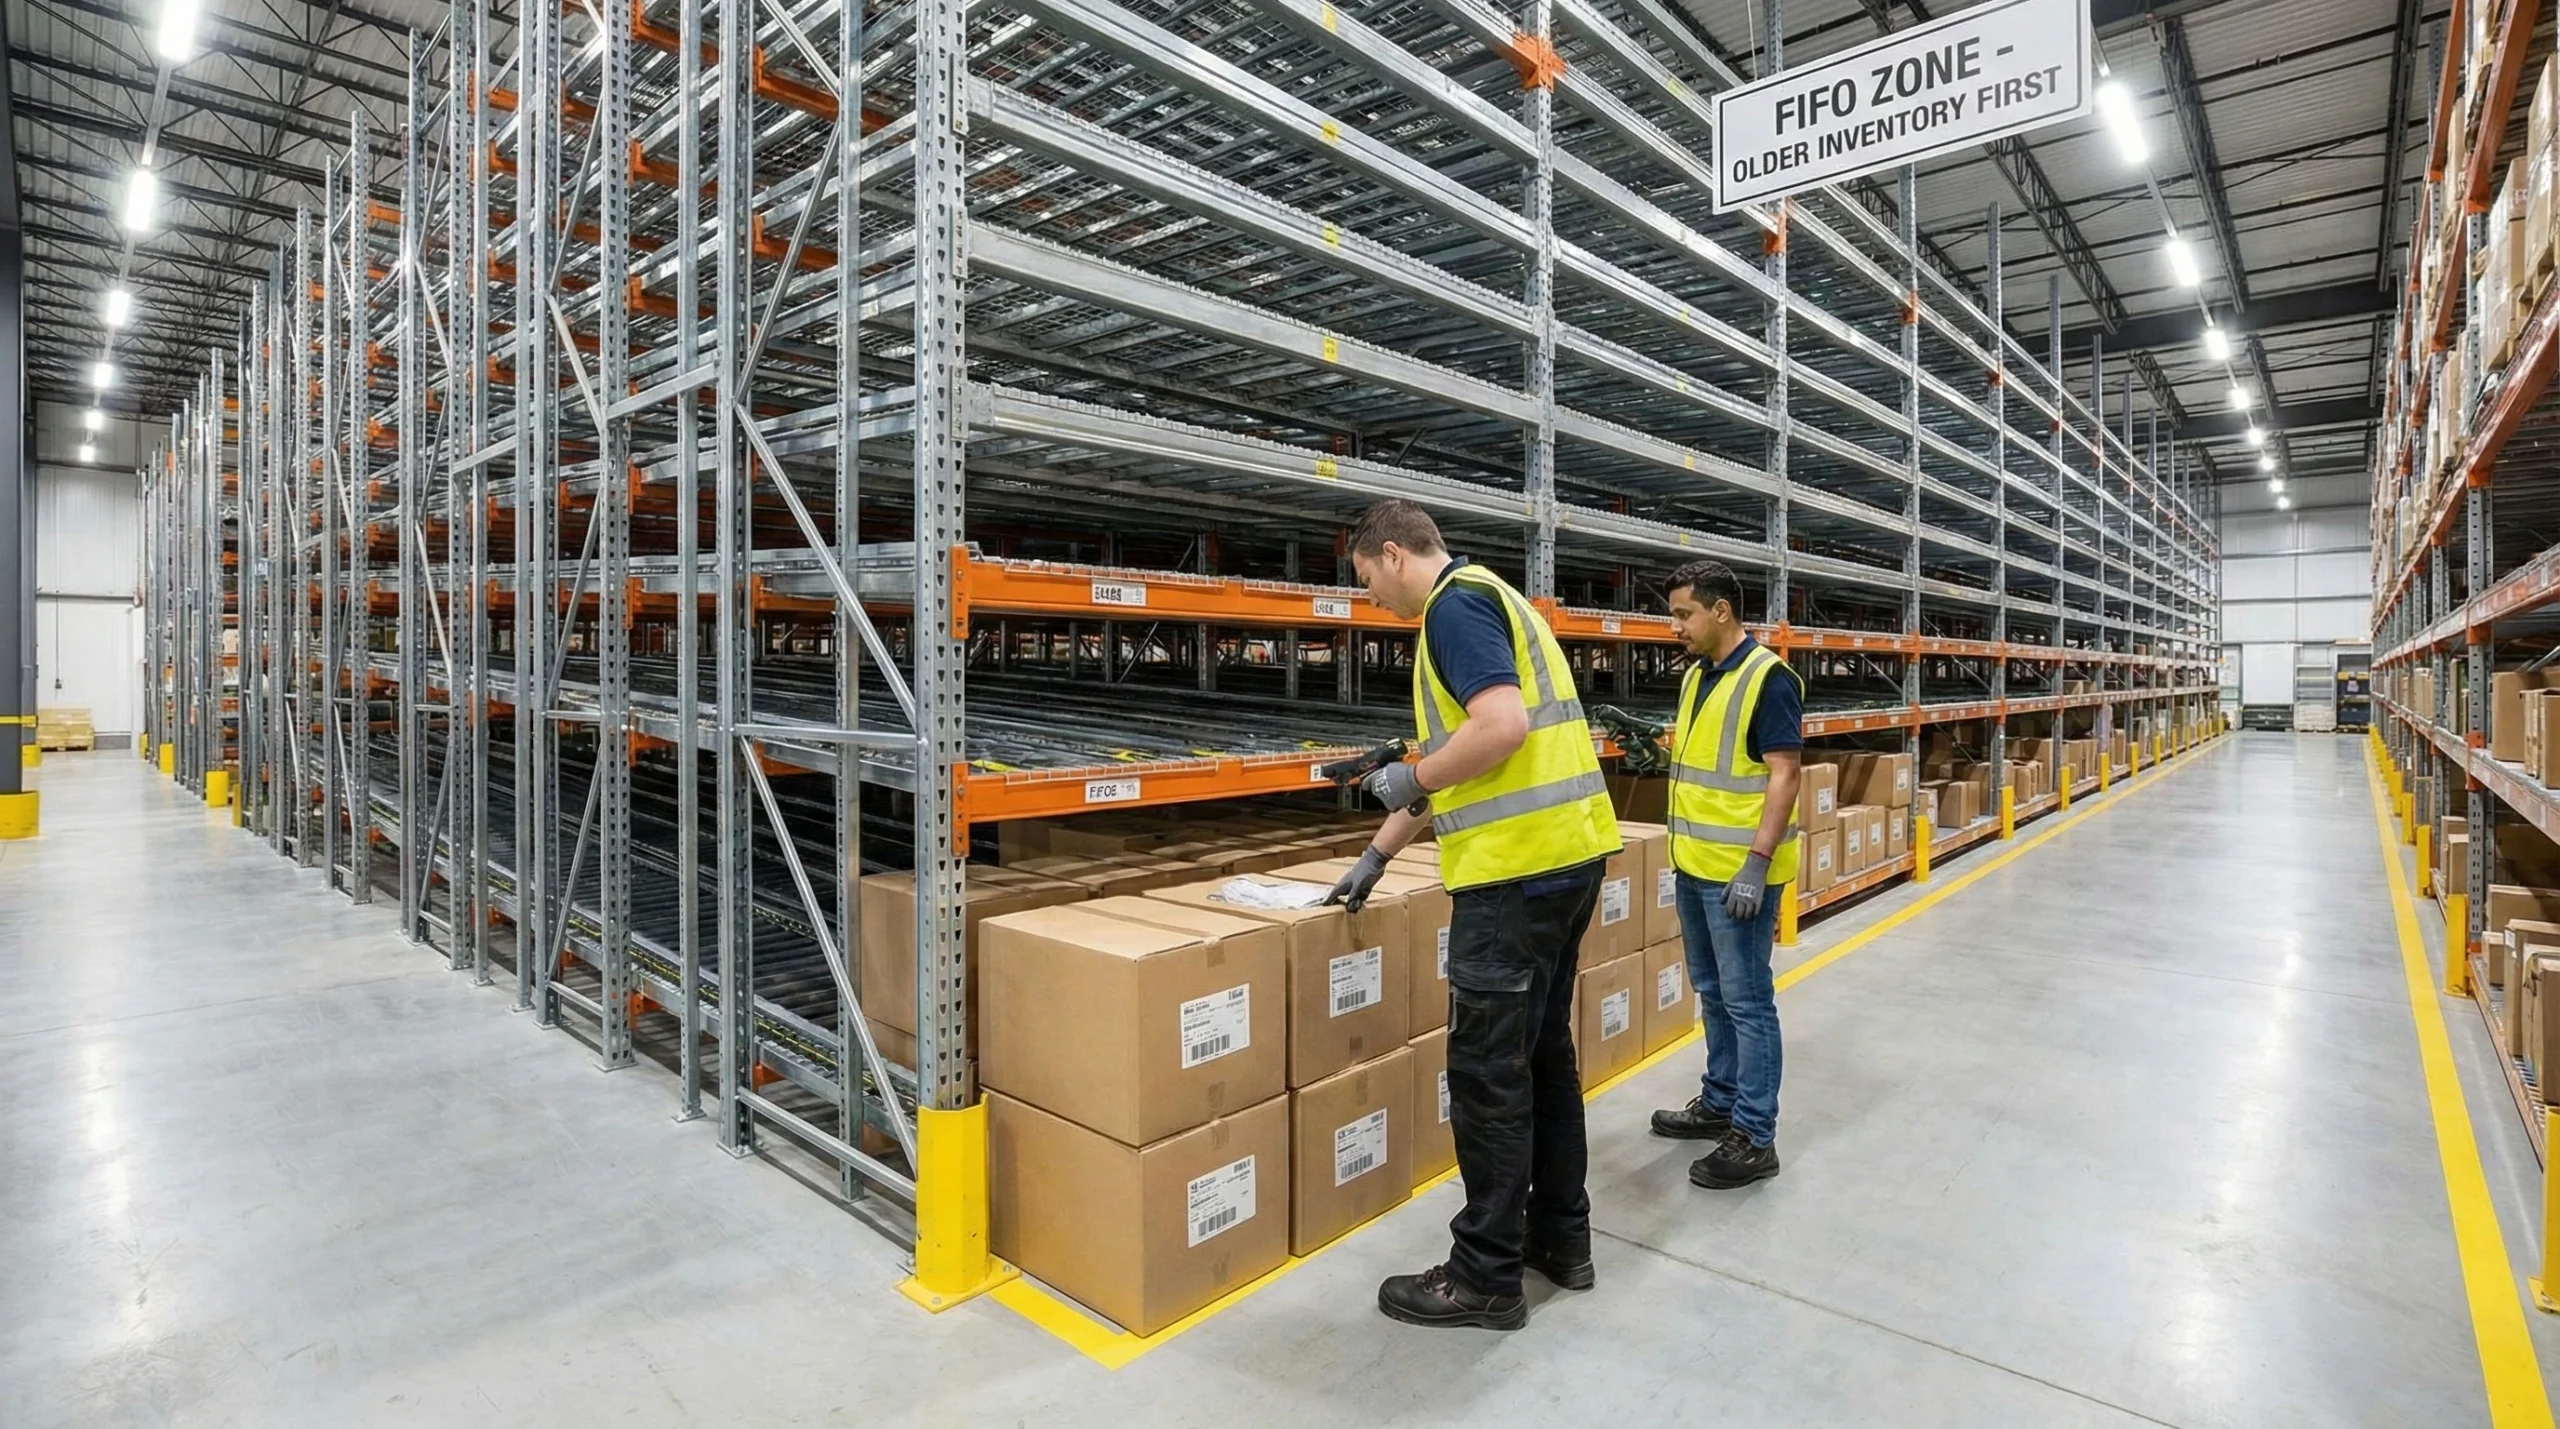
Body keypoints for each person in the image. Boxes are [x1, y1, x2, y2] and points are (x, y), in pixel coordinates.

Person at [1323, 500, 1621, 1332]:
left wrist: (1412, 780)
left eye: (1367, 582)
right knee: (1542, 1057)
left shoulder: (1452, 609)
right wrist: (1379, 853)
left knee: (1489, 1076)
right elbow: (1467, 756)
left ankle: (1484, 1275)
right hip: (1565, 860)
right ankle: (1561, 1240)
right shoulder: (1497, 595)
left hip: (1513, 880)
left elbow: (1498, 728)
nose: (1371, 600)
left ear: (1392, 554)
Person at [1648, 560, 1802, 1188]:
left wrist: (1757, 864)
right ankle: (1719, 1101)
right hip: (1694, 863)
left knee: (1748, 1001)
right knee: (1712, 993)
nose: (1675, 625)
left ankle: (1755, 1134)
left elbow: (1784, 774)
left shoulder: (1769, 679)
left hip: (1739, 874)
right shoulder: (1695, 678)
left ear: (1721, 611)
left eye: (1684, 613)